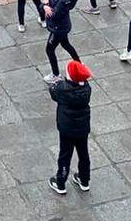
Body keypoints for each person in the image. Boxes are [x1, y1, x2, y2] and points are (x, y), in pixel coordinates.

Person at [47, 59, 92, 194]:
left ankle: (60, 181)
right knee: (83, 153)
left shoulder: (62, 89)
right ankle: (84, 180)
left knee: (65, 154)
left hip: (66, 128)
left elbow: (53, 92)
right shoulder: (86, 89)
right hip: (82, 127)